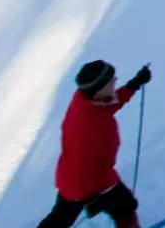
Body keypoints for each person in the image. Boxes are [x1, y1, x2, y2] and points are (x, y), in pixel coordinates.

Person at [36, 60, 152, 228]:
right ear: (99, 89)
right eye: (111, 81)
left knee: (60, 218)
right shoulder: (88, 123)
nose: (115, 81)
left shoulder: (85, 99)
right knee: (126, 207)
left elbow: (108, 103)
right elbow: (83, 164)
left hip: (69, 179)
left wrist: (133, 85)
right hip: (94, 182)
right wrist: (89, 196)